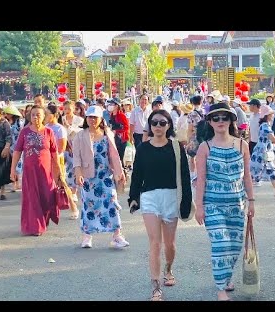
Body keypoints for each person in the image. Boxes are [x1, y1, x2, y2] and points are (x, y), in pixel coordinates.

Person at [128, 110, 192, 301]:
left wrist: (186, 202)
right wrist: (133, 198)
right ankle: (156, 286)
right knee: (155, 243)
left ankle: (168, 269)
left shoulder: (176, 147)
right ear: (150, 125)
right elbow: (137, 175)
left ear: (168, 125)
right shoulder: (143, 148)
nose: (158, 126)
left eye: (162, 123)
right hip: (149, 197)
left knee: (169, 244)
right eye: (154, 123)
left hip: (171, 196)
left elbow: (185, 177)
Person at [194, 102, 255, 301]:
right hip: (213, 205)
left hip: (237, 205)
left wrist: (251, 201)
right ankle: (221, 289)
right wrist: (199, 207)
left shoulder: (242, 145)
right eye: (216, 118)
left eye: (225, 117)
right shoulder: (205, 147)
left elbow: (247, 177)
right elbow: (201, 179)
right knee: (221, 244)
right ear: (210, 122)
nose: (221, 121)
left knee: (235, 246)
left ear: (231, 120)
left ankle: (227, 276)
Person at [72, 106, 128, 249]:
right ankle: (86, 236)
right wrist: (78, 173)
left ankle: (117, 235)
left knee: (111, 203)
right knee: (88, 206)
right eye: (90, 117)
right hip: (88, 177)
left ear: (101, 119)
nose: (92, 120)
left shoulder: (107, 134)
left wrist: (119, 172)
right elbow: (76, 157)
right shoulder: (80, 135)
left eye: (95, 117)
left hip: (105, 176)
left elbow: (114, 155)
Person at [11, 105, 62, 236]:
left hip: (46, 171)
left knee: (47, 196)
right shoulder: (25, 132)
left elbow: (54, 153)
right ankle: (35, 226)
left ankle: (44, 219)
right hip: (29, 171)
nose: (35, 117)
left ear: (44, 116)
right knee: (32, 198)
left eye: (38, 114)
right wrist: (13, 170)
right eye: (33, 115)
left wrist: (58, 170)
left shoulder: (49, 132)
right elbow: (17, 152)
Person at [249, 104, 275, 198]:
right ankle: (247, 193)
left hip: (263, 153)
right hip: (262, 153)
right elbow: (273, 139)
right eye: (271, 113)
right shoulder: (265, 126)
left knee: (270, 172)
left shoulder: (265, 125)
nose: (272, 115)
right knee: (254, 174)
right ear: (267, 115)